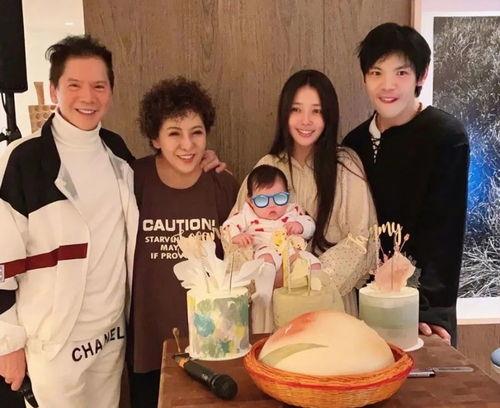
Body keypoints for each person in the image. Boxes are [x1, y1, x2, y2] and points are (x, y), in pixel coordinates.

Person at [0, 35, 138, 408]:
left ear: (111, 91)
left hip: (110, 334)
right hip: (54, 342)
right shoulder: (24, 160)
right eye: (74, 85)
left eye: (99, 86)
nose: (87, 97)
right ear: (54, 90)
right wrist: (7, 344)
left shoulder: (118, 153)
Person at [343, 23, 469, 346]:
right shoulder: (354, 143)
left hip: (420, 312)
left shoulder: (445, 136)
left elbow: (445, 233)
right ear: (364, 78)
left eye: (401, 73)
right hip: (363, 304)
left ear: (421, 75)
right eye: (376, 72)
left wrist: (431, 312)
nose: (388, 85)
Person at [128, 77, 239, 408]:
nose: (188, 145)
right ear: (155, 138)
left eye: (197, 132)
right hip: (148, 341)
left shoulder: (222, 184)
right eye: (174, 133)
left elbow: (237, 260)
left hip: (210, 341)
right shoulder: (134, 179)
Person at [234, 69, 378, 316]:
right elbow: (235, 235)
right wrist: (269, 276)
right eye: (296, 110)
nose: (305, 120)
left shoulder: (345, 165)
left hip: (328, 302)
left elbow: (362, 238)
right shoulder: (268, 166)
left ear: (328, 116)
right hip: (274, 301)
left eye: (316, 111)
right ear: (284, 113)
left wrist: (309, 280)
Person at [223, 164, 320, 332]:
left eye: (279, 198)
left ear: (287, 195)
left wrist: (300, 226)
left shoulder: (292, 210)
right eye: (262, 200)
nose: (272, 206)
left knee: (313, 262)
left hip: (291, 251)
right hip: (265, 247)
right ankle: (264, 293)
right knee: (265, 262)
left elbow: (310, 224)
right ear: (250, 200)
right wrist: (236, 236)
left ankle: (316, 296)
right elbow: (228, 225)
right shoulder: (247, 214)